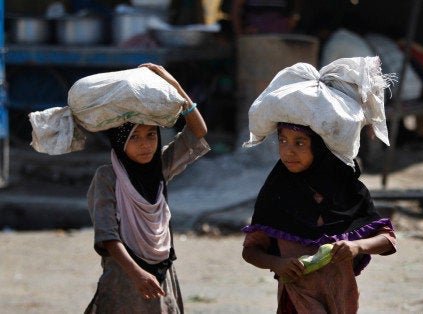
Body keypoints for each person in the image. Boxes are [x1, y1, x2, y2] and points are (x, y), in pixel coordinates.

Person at [240, 57, 397, 313]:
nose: (288, 152)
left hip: (341, 299)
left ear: (321, 147)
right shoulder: (277, 191)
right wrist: (277, 263)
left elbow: (387, 239)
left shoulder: (347, 189)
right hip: (295, 300)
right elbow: (251, 251)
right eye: (282, 141)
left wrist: (356, 246)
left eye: (299, 143)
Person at [84, 63, 210, 313]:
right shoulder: (107, 176)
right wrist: (137, 274)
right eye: (135, 137)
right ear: (120, 142)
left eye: (151, 135)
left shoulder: (160, 167)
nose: (145, 145)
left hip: (162, 271)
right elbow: (108, 236)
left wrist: (174, 86)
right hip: (124, 276)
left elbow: (198, 132)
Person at [230, 0, 302, 36]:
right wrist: (240, 34)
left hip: (281, 37)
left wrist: (294, 18)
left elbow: (295, 8)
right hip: (254, 36)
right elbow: (235, 8)